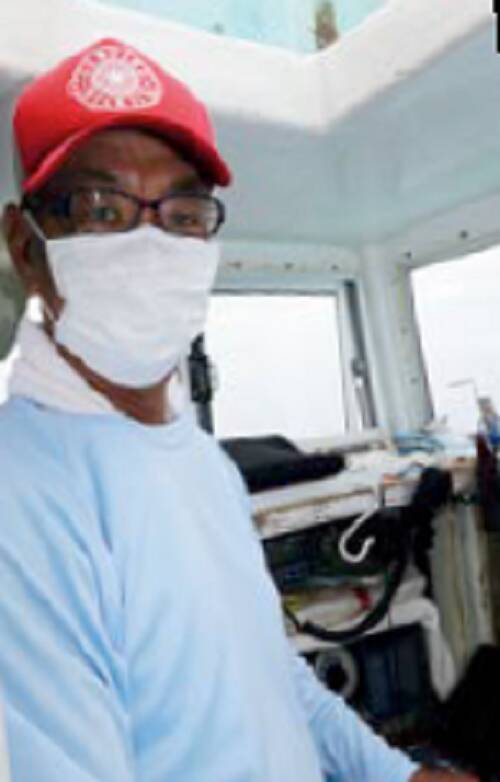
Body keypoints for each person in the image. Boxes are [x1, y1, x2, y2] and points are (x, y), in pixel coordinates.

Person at [0, 38, 477, 782]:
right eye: (101, 209)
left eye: (183, 213)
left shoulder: (202, 460)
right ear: (26, 249)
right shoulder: (20, 496)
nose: (150, 244)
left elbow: (273, 677)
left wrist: (398, 775)